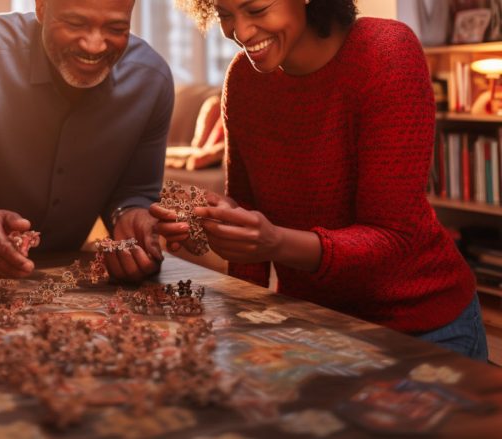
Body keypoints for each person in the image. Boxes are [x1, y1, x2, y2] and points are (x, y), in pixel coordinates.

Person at [152, 0, 488, 361]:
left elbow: (394, 237)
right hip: (315, 326)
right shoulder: (243, 79)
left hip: (421, 328)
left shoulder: (385, 52)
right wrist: (215, 226)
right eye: (226, 15)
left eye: (257, 9)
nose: (241, 32)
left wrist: (274, 242)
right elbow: (248, 209)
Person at [0, 0, 173, 282]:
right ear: (41, 7)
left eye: (116, 27)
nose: (94, 45)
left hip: (55, 283)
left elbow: (135, 191)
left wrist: (130, 214)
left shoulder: (151, 80)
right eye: (75, 23)